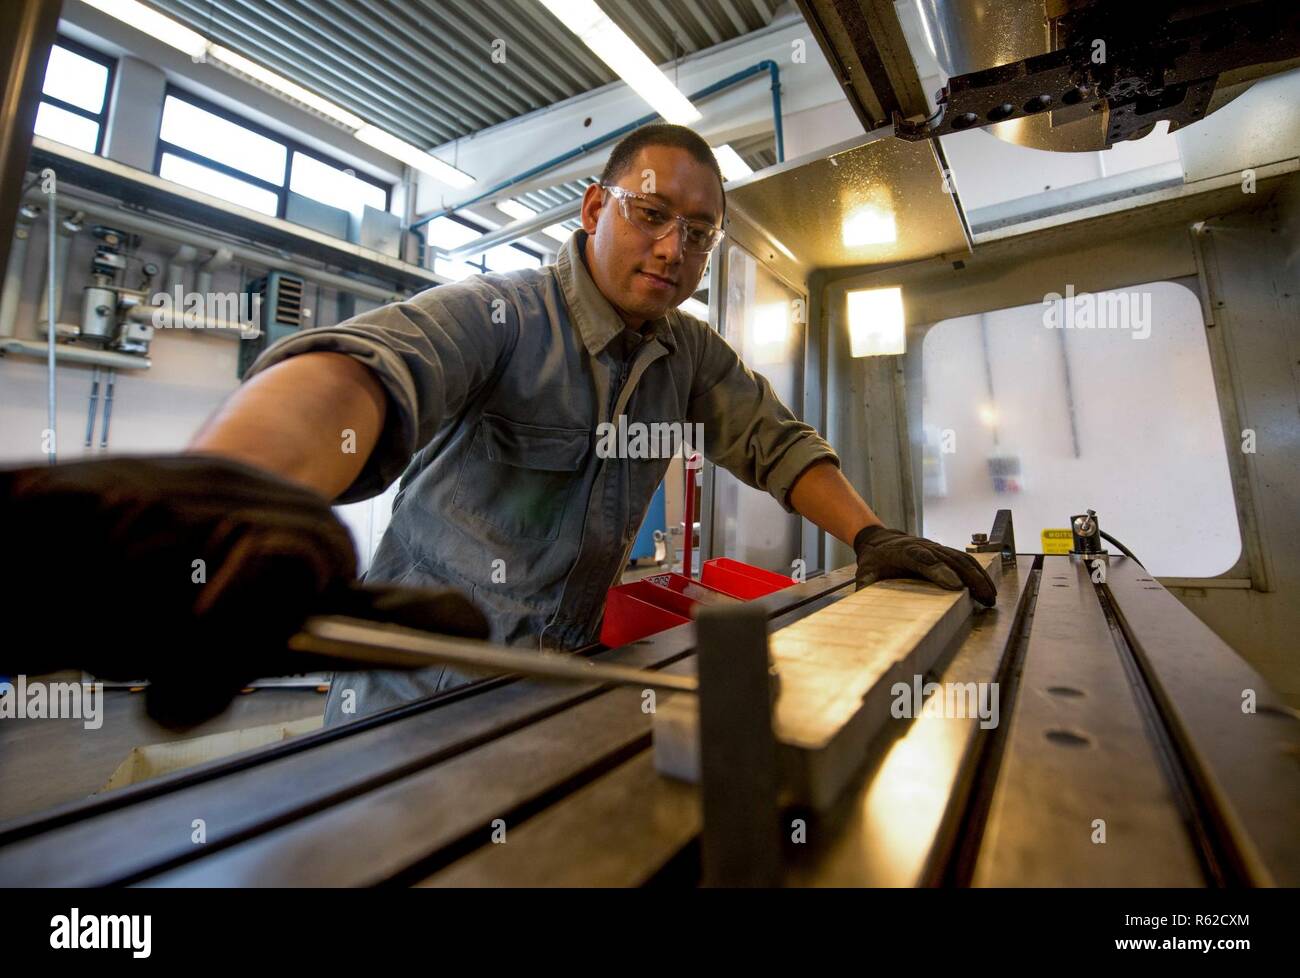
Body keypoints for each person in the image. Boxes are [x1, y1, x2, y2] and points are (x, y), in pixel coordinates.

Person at [0, 124, 994, 726]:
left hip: (546, 684)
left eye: (698, 233)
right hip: (403, 698)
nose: (674, 246)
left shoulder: (687, 356)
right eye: (651, 214)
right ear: (595, 207)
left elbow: (772, 444)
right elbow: (365, 373)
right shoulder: (502, 315)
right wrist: (237, 488)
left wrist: (868, 534)